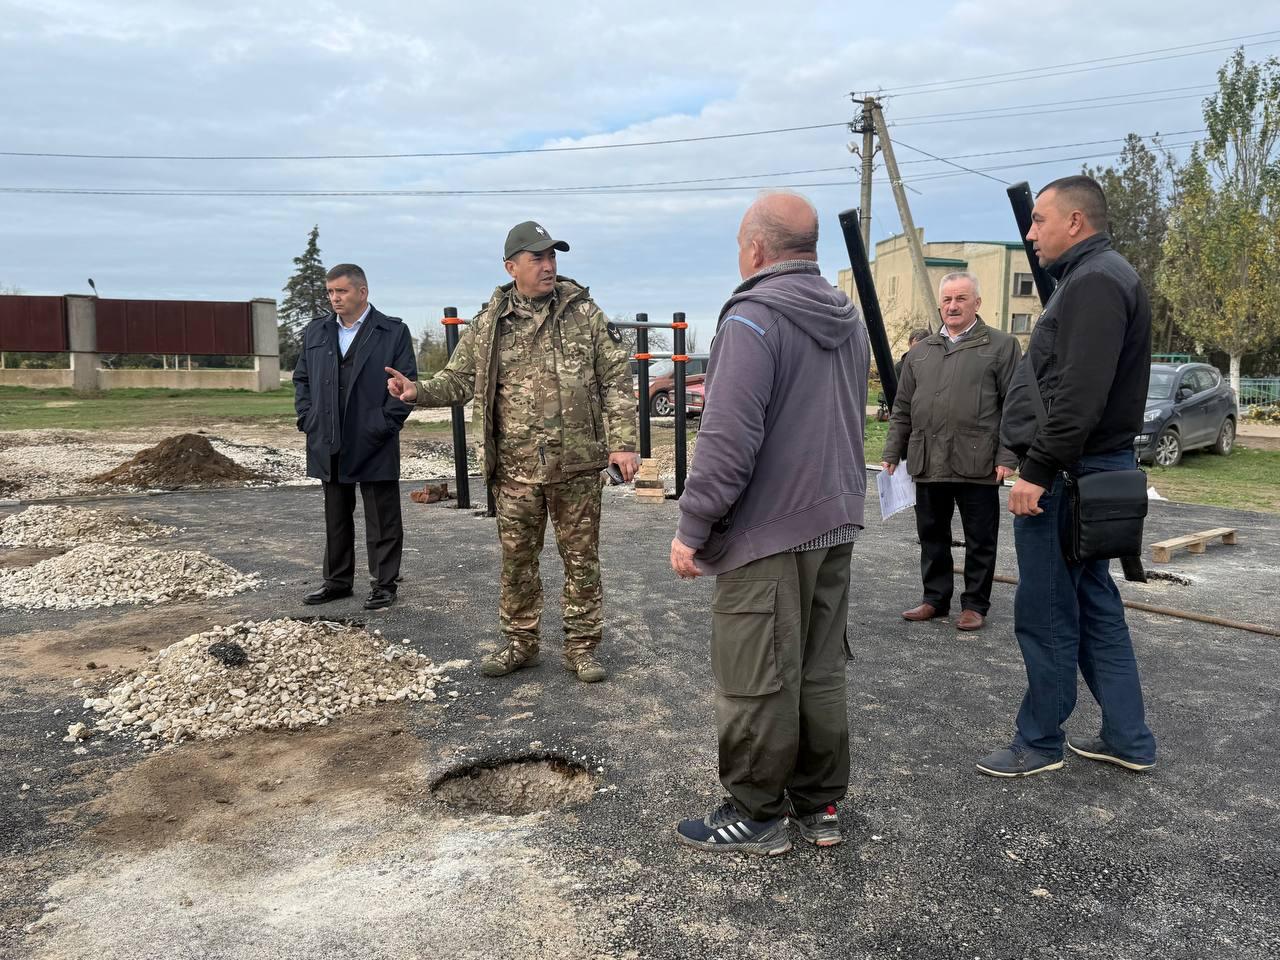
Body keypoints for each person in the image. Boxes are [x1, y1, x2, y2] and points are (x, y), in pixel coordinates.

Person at [670, 192, 869, 855]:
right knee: (818, 670)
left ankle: (755, 813)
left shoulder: (753, 319)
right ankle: (819, 804)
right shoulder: (846, 317)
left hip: (769, 533)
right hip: (835, 523)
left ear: (756, 248)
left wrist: (693, 527)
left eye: (739, 244)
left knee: (756, 675)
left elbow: (727, 440)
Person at [385, 221, 638, 683]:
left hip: (576, 465)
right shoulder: (490, 323)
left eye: (552, 256)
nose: (548, 265)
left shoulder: (584, 313)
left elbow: (616, 380)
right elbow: (459, 380)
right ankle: (521, 643)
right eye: (537, 257)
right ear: (511, 267)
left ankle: (582, 648)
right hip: (515, 470)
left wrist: (623, 443)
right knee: (517, 562)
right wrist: (417, 391)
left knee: (581, 561)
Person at [978, 174, 1157, 777]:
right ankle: (1128, 739)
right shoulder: (1097, 276)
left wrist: (1037, 469)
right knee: (1095, 603)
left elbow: (1079, 394)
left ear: (1075, 222)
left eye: (1039, 221)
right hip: (1087, 471)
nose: (1031, 234)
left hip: (1070, 477)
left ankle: (1039, 741)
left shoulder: (1096, 281)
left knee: (1048, 610)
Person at [882, 273, 1021, 632]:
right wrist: (893, 451)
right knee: (932, 534)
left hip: (978, 461)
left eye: (961, 298)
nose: (953, 306)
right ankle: (935, 598)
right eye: (947, 299)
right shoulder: (920, 352)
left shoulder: (1001, 346)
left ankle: (974, 605)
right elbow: (903, 407)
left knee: (980, 538)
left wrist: (1008, 456)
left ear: (977, 303)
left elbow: (1014, 406)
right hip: (928, 459)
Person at [293, 264, 417, 610]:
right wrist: (309, 417)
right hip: (328, 435)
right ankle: (336, 581)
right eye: (330, 292)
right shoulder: (316, 331)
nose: (335, 298)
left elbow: (406, 384)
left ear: (362, 292)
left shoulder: (392, 331)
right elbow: (302, 379)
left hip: (374, 437)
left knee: (382, 517)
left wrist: (384, 424)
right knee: (335, 514)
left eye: (342, 291)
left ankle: (384, 584)